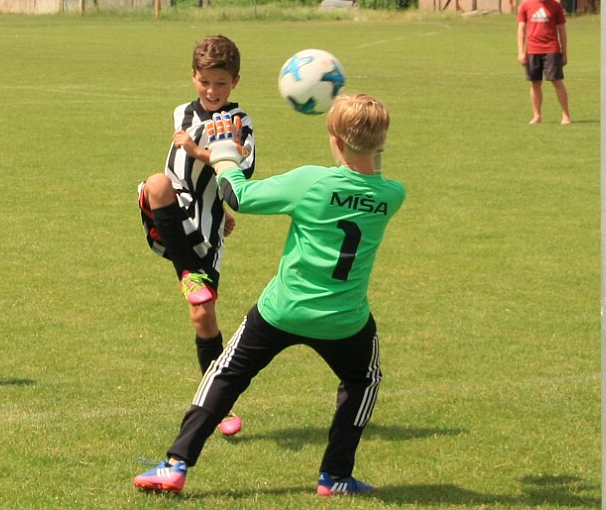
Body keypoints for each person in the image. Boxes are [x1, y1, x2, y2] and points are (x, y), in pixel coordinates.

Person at [132, 94, 405, 496]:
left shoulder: (311, 181)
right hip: (344, 319)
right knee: (364, 380)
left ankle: (175, 465)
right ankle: (335, 476)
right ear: (382, 144)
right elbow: (368, 177)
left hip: (283, 309)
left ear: (335, 140)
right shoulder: (392, 195)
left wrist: (223, 154)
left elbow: (238, 197)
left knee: (226, 374)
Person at [136, 35, 254, 437]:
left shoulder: (239, 122)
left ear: (235, 81)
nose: (212, 90)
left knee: (203, 317)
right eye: (205, 81)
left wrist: (201, 155)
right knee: (156, 182)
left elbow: (243, 172)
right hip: (172, 211)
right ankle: (188, 273)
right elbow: (177, 172)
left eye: (221, 83)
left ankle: (218, 405)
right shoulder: (181, 112)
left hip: (207, 227)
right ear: (193, 77)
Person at [516, 0, 570, 124]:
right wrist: (521, 51)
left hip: (551, 49)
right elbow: (521, 29)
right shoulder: (526, 6)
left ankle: (566, 115)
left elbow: (562, 31)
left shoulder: (555, 6)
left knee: (557, 81)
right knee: (535, 83)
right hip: (533, 50)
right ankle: (537, 116)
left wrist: (564, 53)